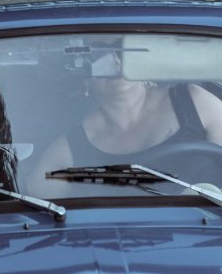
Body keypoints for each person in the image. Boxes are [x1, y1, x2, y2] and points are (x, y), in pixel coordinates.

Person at [30, 48, 222, 195]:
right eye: (101, 53)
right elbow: (29, 202)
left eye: (123, 50)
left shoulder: (194, 102)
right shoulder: (72, 146)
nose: (115, 60)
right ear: (85, 78)